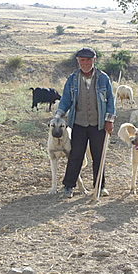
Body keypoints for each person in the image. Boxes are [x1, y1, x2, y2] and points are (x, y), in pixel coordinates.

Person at [54, 47, 116, 198]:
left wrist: (109, 120)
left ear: (94, 60)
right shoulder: (72, 79)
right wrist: (58, 116)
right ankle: (68, 186)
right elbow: (65, 100)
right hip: (78, 123)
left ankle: (100, 187)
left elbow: (110, 101)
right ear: (78, 61)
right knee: (76, 155)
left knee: (98, 156)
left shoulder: (103, 78)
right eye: (82, 60)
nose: (85, 63)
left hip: (98, 124)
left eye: (88, 60)